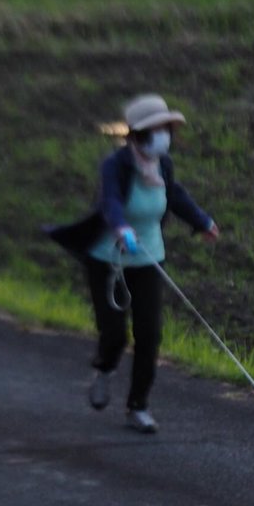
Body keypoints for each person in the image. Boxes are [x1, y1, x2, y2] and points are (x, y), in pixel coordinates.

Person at [47, 94, 220, 433]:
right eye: (157, 130)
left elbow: (175, 195)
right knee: (114, 333)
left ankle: (138, 406)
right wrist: (121, 227)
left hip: (148, 258)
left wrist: (202, 222)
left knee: (149, 334)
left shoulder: (163, 165)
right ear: (139, 134)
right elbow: (110, 200)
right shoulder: (115, 165)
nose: (164, 136)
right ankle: (104, 368)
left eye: (167, 129)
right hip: (108, 259)